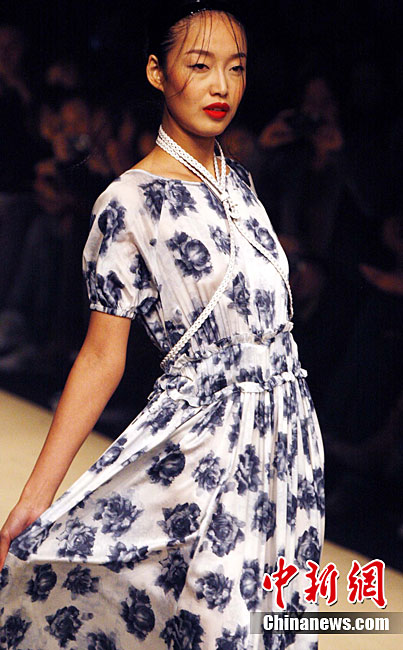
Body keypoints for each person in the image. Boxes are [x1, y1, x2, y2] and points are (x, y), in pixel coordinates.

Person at [0, 2, 324, 648]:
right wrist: (36, 496)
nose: (221, 85)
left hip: (288, 448)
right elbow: (102, 356)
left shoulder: (241, 185)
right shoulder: (128, 201)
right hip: (205, 449)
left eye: (235, 68)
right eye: (199, 65)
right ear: (157, 72)